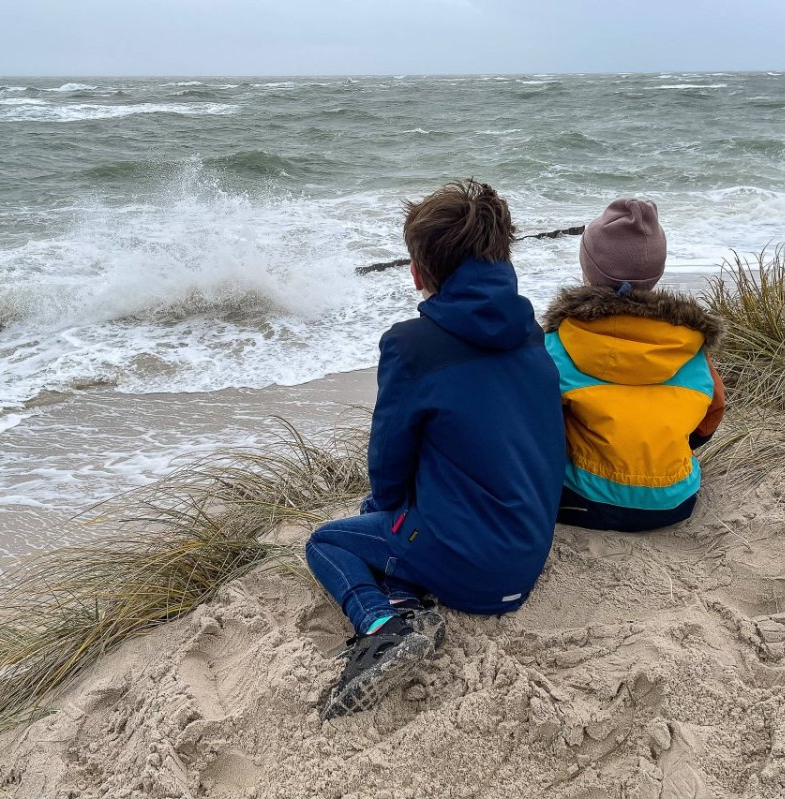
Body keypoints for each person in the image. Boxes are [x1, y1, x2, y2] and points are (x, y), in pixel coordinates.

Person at [306, 179, 566, 720]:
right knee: (397, 518)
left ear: (418, 273)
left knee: (330, 542)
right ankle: (406, 593)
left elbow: (388, 460)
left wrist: (385, 508)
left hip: (474, 566)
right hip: (527, 553)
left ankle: (383, 625)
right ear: (501, 254)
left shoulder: (410, 344)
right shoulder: (530, 333)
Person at [543, 198, 725, 533]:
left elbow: (536, 424)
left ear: (587, 270)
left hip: (585, 501)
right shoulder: (689, 345)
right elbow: (713, 411)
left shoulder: (559, 342)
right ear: (656, 274)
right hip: (675, 501)